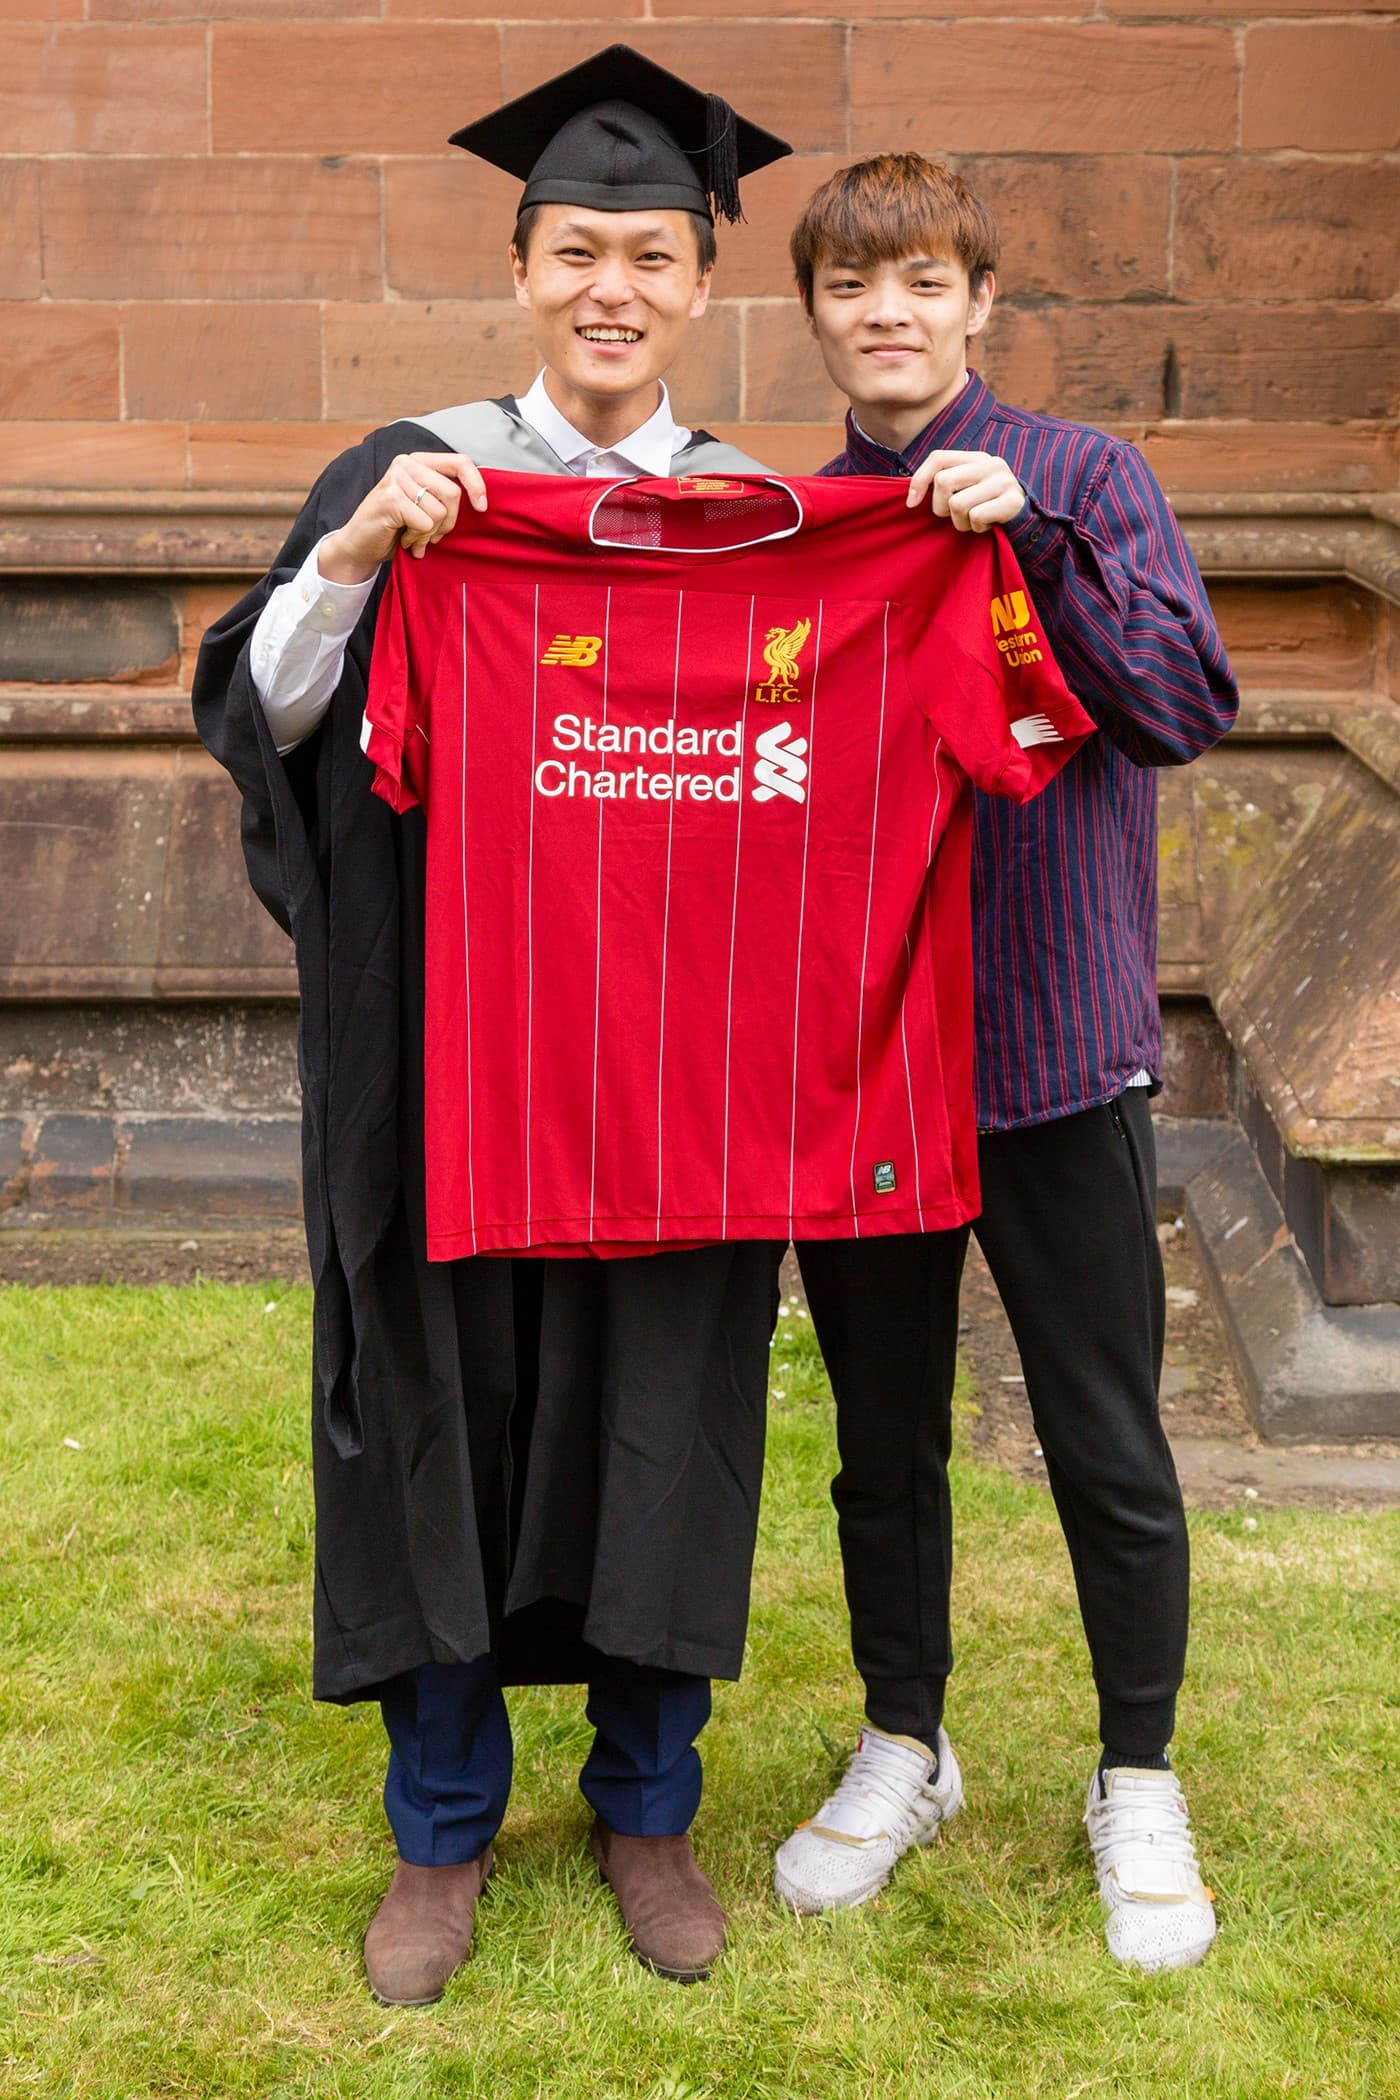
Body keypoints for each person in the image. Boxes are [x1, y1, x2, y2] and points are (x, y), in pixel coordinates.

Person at [193, 46, 791, 2004]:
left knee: (664, 1415)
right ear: (523, 262)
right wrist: (355, 559)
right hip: (444, 1059)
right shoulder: (414, 470)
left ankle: (646, 1807)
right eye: (576, 249)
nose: (611, 286)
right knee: (437, 1412)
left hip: (673, 1078)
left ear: (700, 282)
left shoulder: (759, 522)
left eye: (651, 254)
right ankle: (438, 1833)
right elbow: (269, 713)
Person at [771, 154, 1239, 1974]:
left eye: (920, 282)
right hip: (869, 1063)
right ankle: (908, 1740)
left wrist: (1025, 541)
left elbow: (1182, 703)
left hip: (1055, 1045)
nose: (886, 312)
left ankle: (1138, 1774)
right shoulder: (795, 521)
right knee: (881, 1446)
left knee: (1104, 1435)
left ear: (978, 303)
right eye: (851, 286)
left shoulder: (1083, 478)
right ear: (813, 314)